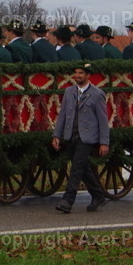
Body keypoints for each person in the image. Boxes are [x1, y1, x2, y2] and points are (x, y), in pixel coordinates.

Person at [51, 63, 110, 213]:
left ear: (88, 75)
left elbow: (103, 120)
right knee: (83, 167)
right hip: (71, 135)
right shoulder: (69, 92)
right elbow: (62, 115)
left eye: (81, 73)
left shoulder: (97, 94)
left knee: (76, 167)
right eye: (76, 73)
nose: (77, 75)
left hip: (87, 137)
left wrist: (104, 142)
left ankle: (67, 200)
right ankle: (98, 195)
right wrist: (57, 135)